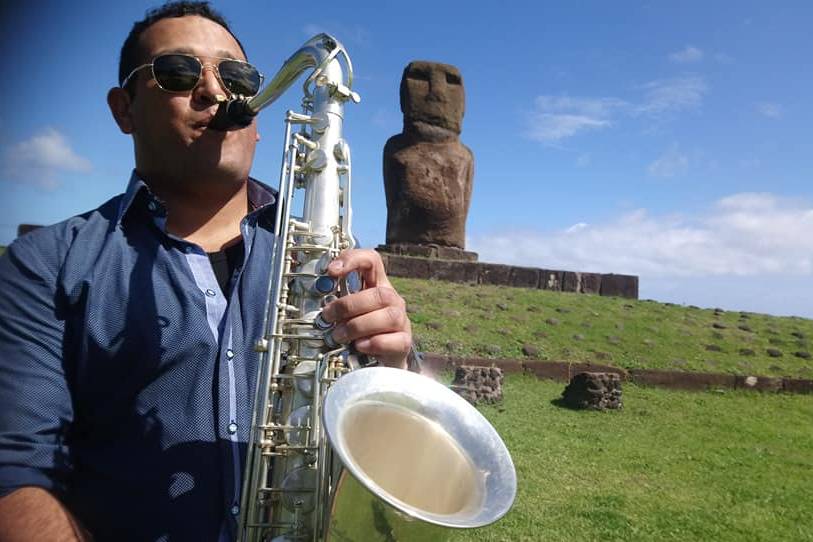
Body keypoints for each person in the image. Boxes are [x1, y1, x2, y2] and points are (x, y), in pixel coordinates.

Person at [0, 2, 415, 540]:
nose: (216, 92)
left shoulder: (327, 259)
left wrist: (396, 364)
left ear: (260, 122)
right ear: (123, 108)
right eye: (179, 72)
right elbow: (14, 474)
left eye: (237, 77)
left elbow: (397, 434)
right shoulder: (46, 265)